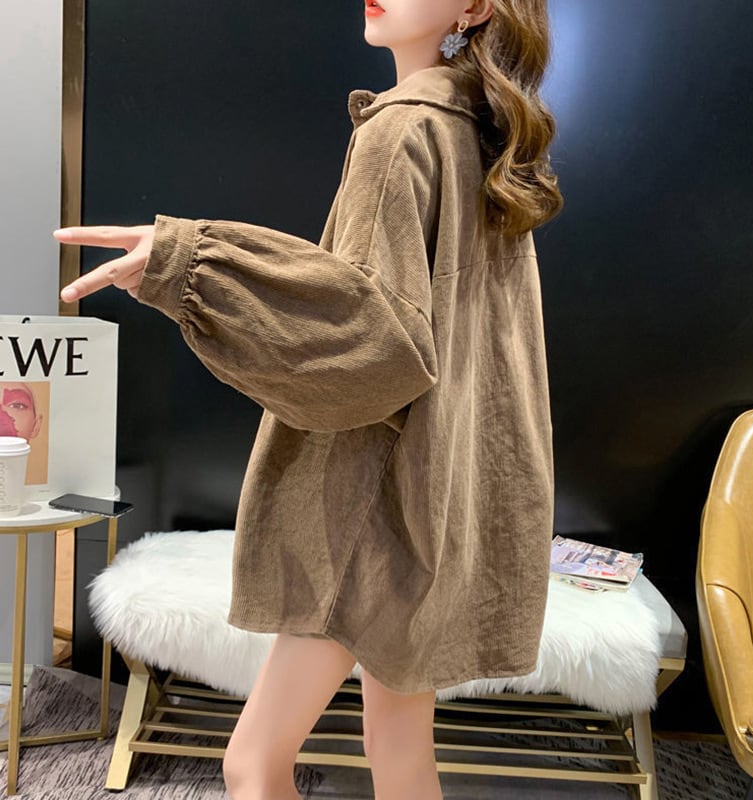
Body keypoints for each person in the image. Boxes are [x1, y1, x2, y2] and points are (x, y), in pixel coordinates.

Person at [55, 2, 563, 798]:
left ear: (474, 8)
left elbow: (368, 336)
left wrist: (186, 263)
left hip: (371, 508)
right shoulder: (486, 138)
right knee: (399, 747)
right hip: (444, 497)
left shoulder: (403, 131)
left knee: (254, 762)